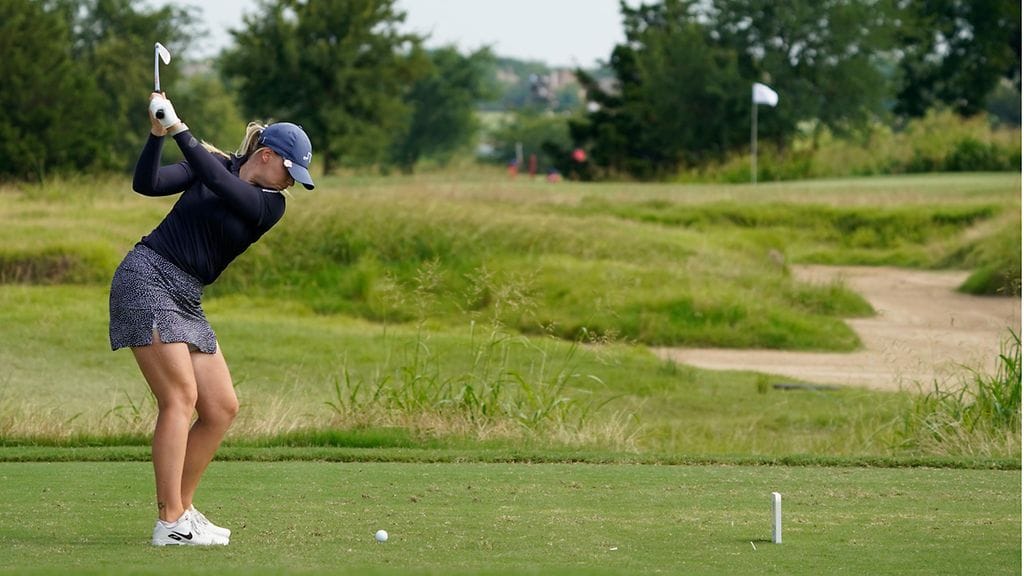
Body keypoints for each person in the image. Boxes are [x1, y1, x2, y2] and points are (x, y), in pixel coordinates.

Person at [109, 92, 315, 546]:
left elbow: (221, 185)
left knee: (221, 407)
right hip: (147, 276)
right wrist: (157, 136)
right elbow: (147, 183)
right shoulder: (217, 164)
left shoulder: (270, 204)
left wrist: (179, 129)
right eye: (290, 171)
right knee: (180, 398)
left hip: (186, 295)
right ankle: (170, 522)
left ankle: (183, 509)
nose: (291, 182)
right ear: (267, 155)